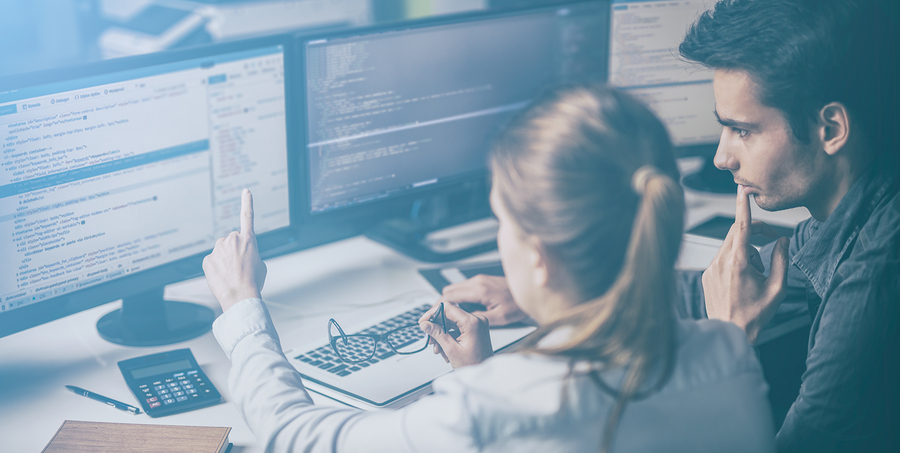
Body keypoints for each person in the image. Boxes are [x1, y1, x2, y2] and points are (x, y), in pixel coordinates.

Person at [202, 85, 775, 452]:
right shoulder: (729, 352)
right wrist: (476, 374)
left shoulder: (495, 408)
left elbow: (292, 436)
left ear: (539, 258)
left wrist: (242, 306)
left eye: (502, 219)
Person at [442, 1, 900, 452]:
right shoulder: (853, 213)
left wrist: (731, 342)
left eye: (743, 130)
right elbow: (723, 287)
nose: (722, 157)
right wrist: (558, 290)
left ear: (831, 128)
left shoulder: (874, 280)